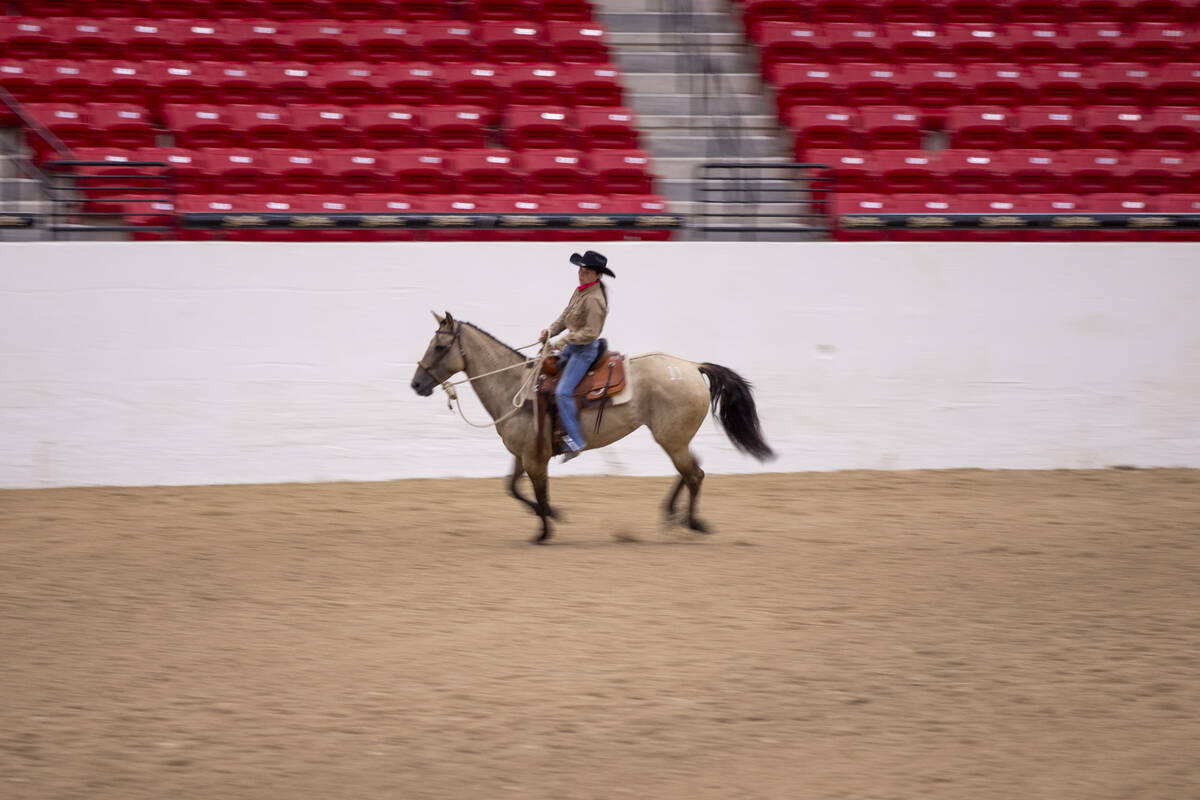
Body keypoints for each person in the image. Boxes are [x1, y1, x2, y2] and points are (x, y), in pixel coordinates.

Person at [539, 250, 615, 462]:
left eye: (587, 270)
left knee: (563, 392)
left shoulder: (594, 300)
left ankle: (576, 440)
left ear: (597, 275)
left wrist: (561, 342)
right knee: (545, 373)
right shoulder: (581, 290)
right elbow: (566, 315)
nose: (581, 273)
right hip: (573, 346)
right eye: (581, 268)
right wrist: (550, 332)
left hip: (584, 350)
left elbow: (591, 333)